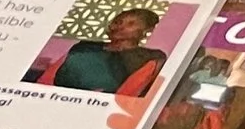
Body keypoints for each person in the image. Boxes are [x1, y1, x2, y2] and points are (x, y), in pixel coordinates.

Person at [36, 6, 164, 96]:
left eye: (131, 24)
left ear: (146, 31)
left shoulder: (149, 57)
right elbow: (45, 81)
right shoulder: (84, 46)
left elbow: (125, 96)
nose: (120, 27)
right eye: (118, 22)